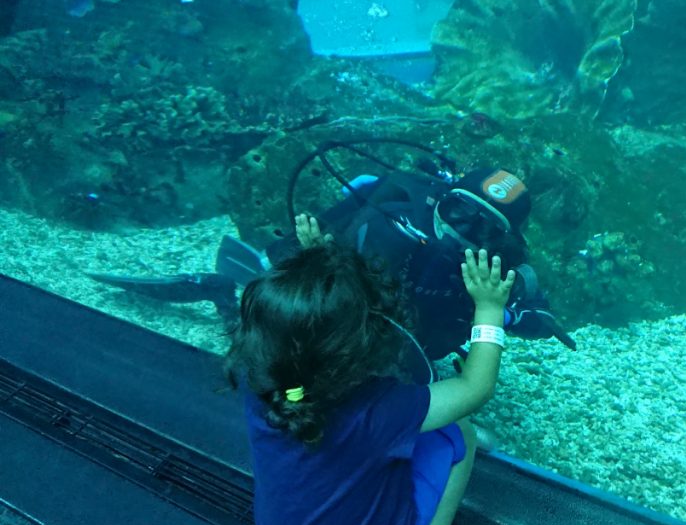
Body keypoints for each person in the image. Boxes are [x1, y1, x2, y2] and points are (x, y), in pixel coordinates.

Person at [87, 165, 575, 384]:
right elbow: (301, 247)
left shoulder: (505, 264)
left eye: (483, 227)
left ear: (504, 238)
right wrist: (305, 254)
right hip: (339, 330)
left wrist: (510, 315)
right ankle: (222, 294)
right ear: (441, 197)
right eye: (456, 210)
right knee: (278, 359)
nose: (460, 230)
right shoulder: (391, 206)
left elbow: (535, 314)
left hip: (412, 357)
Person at [226, 243, 515, 525]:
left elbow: (303, 330)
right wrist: (489, 309)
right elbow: (474, 388)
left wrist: (313, 275)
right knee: (458, 432)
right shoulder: (379, 410)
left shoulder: (257, 381)